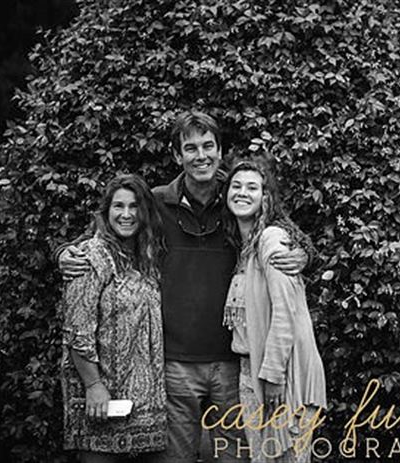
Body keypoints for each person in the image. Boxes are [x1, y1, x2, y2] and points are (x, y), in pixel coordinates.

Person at [57, 111, 310, 462]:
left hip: (232, 363)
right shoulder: (157, 202)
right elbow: (105, 232)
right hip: (175, 364)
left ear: (219, 151)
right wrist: (63, 253)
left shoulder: (237, 196)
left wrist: (305, 253)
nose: (201, 156)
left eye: (208, 146)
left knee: (234, 457)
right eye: (191, 148)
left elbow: (282, 225)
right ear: (177, 156)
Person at [222, 161, 326, 462]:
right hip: (251, 370)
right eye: (236, 186)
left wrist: (274, 375)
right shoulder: (244, 246)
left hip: (283, 374)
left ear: (265, 197)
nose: (242, 193)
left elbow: (285, 312)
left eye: (252, 187)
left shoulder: (271, 239)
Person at [60, 174, 167, 462]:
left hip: (145, 410)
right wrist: (93, 385)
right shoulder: (91, 256)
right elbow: (77, 330)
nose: (126, 214)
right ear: (106, 211)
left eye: (134, 206)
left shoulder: (145, 257)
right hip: (101, 401)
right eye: (118, 206)